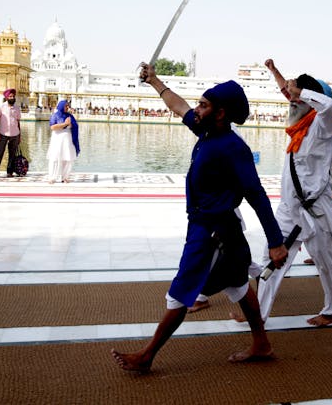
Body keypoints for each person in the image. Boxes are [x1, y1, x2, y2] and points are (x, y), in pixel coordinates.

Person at [111, 63, 288, 372]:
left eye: (204, 105)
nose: (197, 108)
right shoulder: (206, 128)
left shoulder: (233, 148)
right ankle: (262, 344)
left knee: (182, 292)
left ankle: (147, 355)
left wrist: (276, 242)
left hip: (214, 233)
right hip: (211, 228)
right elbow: (178, 105)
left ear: (220, 113)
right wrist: (154, 80)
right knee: (238, 286)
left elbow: (257, 196)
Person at [250, 58, 332, 327]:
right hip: (289, 209)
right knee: (271, 256)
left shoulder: (322, 125)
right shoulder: (297, 127)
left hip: (316, 211)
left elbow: (330, 104)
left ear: (308, 99)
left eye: (296, 97)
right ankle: (258, 313)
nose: (290, 102)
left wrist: (301, 91)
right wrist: (275, 72)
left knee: (325, 261)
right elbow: (286, 91)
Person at [0, 88, 22, 179]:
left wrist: (19, 135)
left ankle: (9, 172)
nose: (12, 98)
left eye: (13, 96)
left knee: (12, 154)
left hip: (15, 134)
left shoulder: (17, 108)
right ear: (6, 98)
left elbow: (18, 122)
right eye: (10, 96)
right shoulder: (1, 107)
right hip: (3, 134)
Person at [46, 100, 79, 183]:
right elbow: (53, 127)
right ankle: (52, 177)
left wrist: (71, 124)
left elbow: (74, 126)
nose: (67, 107)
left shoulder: (69, 116)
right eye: (65, 106)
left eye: (68, 106)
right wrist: (65, 124)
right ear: (61, 106)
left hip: (67, 139)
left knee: (68, 158)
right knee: (54, 158)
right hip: (57, 139)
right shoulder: (55, 116)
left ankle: (65, 177)